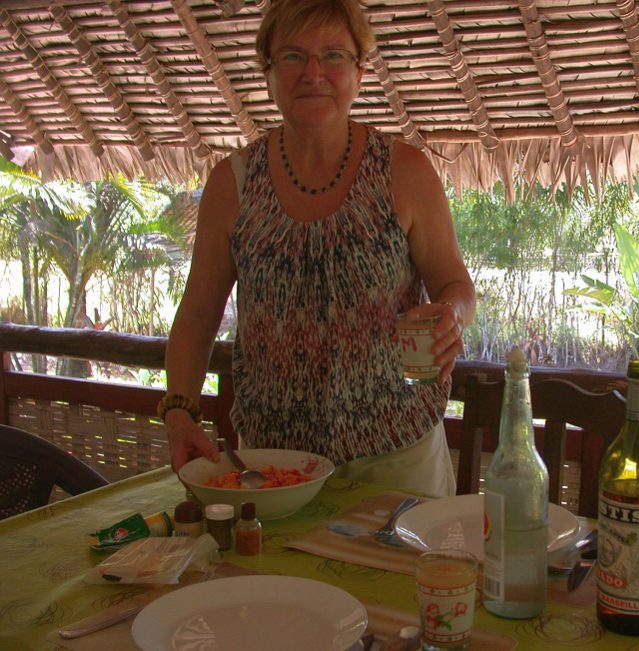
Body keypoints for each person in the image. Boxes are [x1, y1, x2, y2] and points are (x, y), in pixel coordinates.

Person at [159, 0, 475, 497]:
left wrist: (452, 316)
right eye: (292, 56)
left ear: (359, 71)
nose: (313, 72)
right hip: (271, 467)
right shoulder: (233, 183)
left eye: (333, 55)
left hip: (397, 458)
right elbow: (199, 315)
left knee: (408, 577)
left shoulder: (405, 171)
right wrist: (179, 415)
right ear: (269, 72)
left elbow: (454, 283)